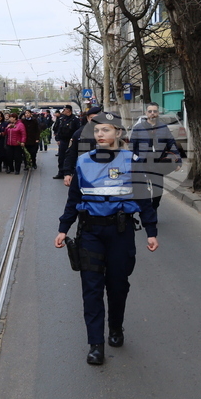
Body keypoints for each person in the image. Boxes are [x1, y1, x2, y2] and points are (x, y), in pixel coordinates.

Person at [55, 111, 159, 366]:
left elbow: (144, 199)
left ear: (118, 134)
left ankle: (115, 327)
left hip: (120, 233)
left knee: (117, 285)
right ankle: (95, 345)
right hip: (90, 233)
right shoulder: (83, 162)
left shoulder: (132, 160)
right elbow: (74, 199)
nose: (100, 134)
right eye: (97, 130)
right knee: (91, 289)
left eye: (106, 130)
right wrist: (63, 227)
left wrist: (151, 231)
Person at [130, 102, 183, 210]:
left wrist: (178, 161)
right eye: (150, 111)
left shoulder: (163, 127)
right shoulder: (138, 127)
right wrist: (132, 163)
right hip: (142, 163)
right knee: (142, 190)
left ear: (158, 113)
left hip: (157, 164)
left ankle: (154, 207)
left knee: (158, 190)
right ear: (146, 113)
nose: (152, 113)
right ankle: (146, 211)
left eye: (155, 111)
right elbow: (132, 147)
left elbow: (171, 144)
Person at [62, 106, 102, 185]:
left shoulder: (109, 133)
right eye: (91, 118)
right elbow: (71, 153)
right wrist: (67, 173)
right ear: (87, 118)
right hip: (83, 172)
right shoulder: (79, 134)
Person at [52, 104, 80, 179]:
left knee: (71, 156)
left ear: (68, 110)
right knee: (61, 157)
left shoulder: (75, 119)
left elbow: (78, 130)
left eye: (64, 109)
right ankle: (61, 172)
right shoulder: (61, 118)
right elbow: (58, 129)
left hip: (71, 141)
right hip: (63, 141)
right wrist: (58, 139)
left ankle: (71, 172)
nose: (63, 111)